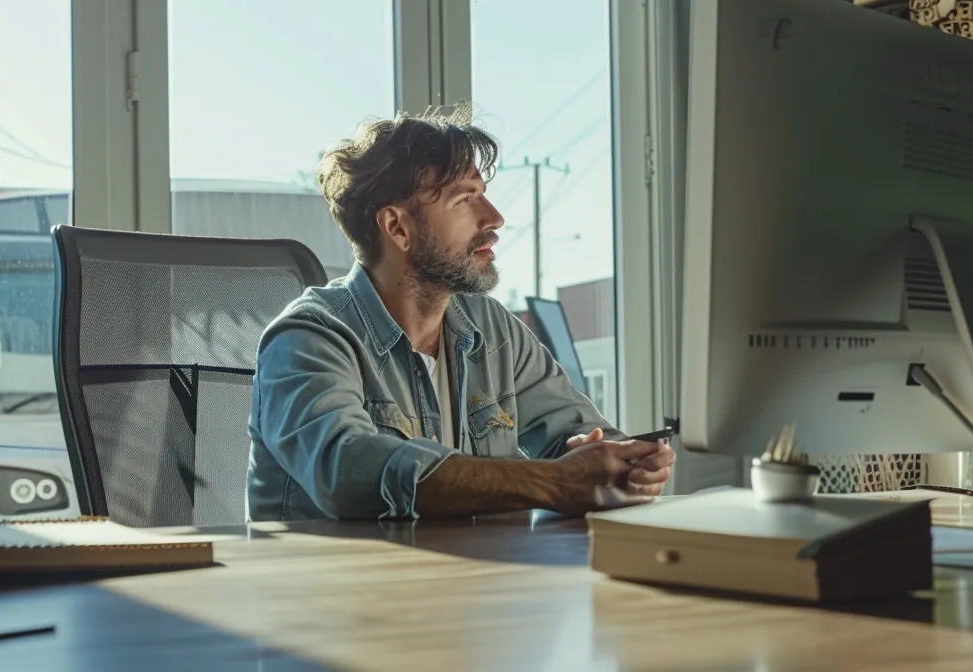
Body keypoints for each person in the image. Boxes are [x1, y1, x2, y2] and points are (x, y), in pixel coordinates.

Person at [246, 105, 674, 521]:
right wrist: (552, 482)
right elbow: (347, 471)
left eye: (484, 195)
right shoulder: (308, 338)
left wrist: (619, 462)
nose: (495, 218)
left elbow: (577, 433)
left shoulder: (492, 328)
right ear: (397, 227)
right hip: (342, 588)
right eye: (465, 199)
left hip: (472, 582)